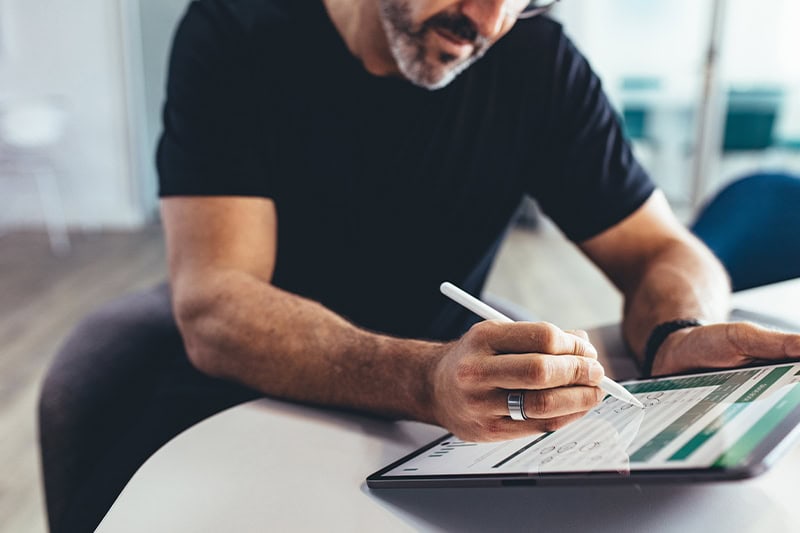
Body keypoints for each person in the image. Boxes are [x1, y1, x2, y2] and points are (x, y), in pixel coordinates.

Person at [39, 0, 800, 531]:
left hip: (443, 427)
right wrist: (422, 376)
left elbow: (666, 250)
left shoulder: (535, 56)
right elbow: (218, 304)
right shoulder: (237, 31)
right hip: (249, 401)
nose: (491, 21)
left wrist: (675, 332)